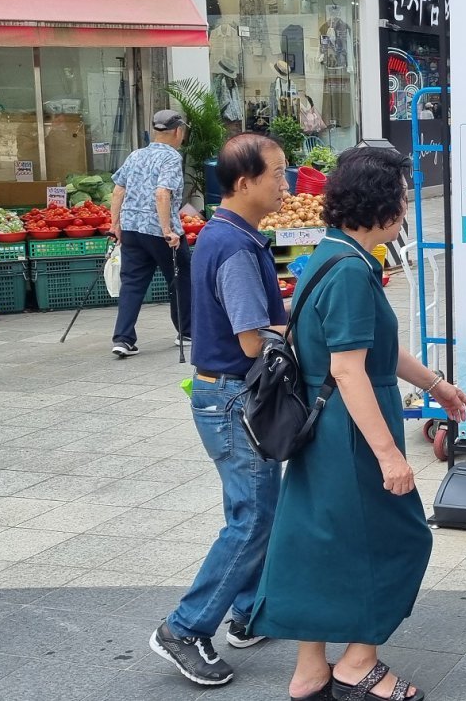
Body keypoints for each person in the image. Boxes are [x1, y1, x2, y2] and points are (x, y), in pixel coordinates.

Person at [250, 145, 466, 701]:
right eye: (401, 196)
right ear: (387, 206)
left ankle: (309, 672)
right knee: (398, 540)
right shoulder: (353, 270)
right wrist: (390, 456)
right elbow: (350, 371)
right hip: (351, 434)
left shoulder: (327, 255)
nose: (404, 206)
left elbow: (376, 349)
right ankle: (358, 663)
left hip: (319, 431)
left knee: (321, 544)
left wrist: (435, 385)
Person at [149, 133, 290, 687]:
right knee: (252, 517)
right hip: (233, 396)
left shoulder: (227, 233)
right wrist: (301, 321)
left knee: (257, 509)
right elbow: (253, 341)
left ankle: (249, 612)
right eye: (277, 174)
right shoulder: (233, 246)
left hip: (225, 393)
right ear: (243, 182)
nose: (287, 183)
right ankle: (183, 628)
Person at [109, 109, 192, 357]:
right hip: (160, 232)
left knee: (132, 283)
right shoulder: (171, 158)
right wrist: (168, 230)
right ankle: (186, 331)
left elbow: (118, 190)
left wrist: (115, 225)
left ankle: (122, 339)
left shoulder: (136, 155)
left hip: (132, 228)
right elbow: (162, 193)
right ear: (178, 131)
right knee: (182, 278)